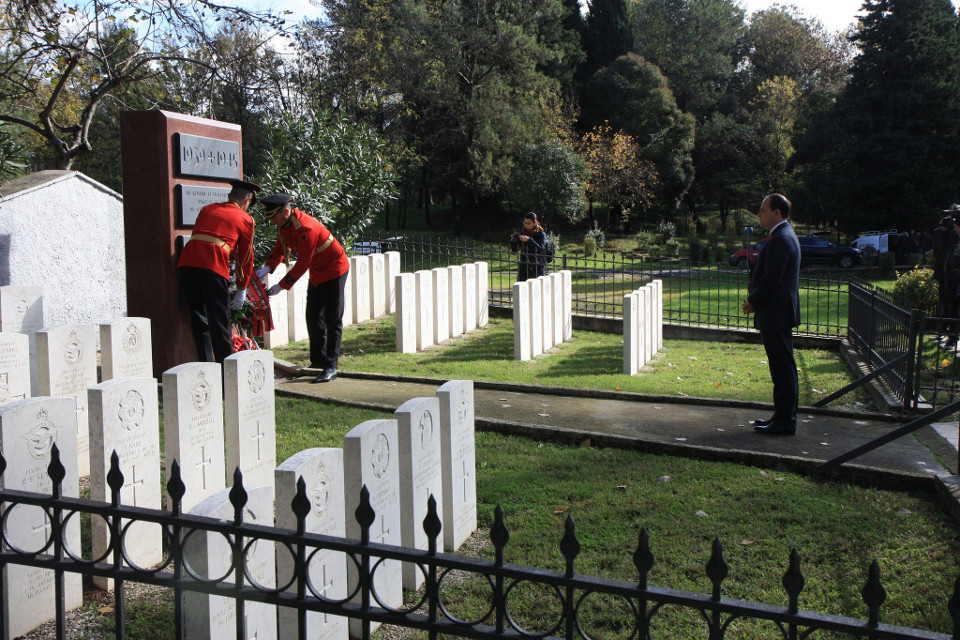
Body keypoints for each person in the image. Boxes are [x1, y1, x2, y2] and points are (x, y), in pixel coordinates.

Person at [257, 194, 350, 383]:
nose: (272, 221)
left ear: (285, 211)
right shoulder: (284, 225)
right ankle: (318, 361)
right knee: (313, 317)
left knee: (333, 318)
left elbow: (303, 262)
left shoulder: (304, 227)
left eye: (273, 216)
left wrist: (281, 286)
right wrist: (268, 267)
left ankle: (331, 366)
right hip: (318, 272)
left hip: (334, 269)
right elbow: (279, 249)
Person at [178, 179, 261, 364]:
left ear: (230, 196)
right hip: (213, 266)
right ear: (247, 200)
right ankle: (227, 369)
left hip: (187, 264)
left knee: (199, 320)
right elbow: (246, 257)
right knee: (220, 322)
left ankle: (207, 365)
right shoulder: (246, 219)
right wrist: (241, 288)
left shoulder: (207, 209)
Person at [741, 194, 801, 435]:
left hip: (776, 313)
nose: (759, 214)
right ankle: (781, 416)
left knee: (782, 368)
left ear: (777, 213)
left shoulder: (781, 239)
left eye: (763, 210)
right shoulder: (782, 236)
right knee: (780, 367)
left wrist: (752, 301)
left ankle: (786, 421)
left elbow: (772, 279)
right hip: (777, 313)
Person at [509, 212, 547, 282]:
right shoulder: (522, 232)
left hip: (536, 266)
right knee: (522, 287)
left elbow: (540, 249)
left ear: (535, 223)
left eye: (528, 223)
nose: (526, 225)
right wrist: (514, 241)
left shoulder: (541, 234)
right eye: (525, 223)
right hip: (524, 265)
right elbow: (515, 251)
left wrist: (529, 240)